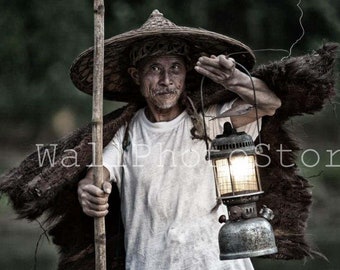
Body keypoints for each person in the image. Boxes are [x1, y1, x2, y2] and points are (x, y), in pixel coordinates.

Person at [77, 10, 281, 270]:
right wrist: (89, 189)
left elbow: (270, 104)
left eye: (175, 68)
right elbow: (98, 173)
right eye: (154, 69)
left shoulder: (212, 120)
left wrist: (235, 80)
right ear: (136, 75)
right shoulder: (126, 133)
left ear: (185, 75)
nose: (166, 80)